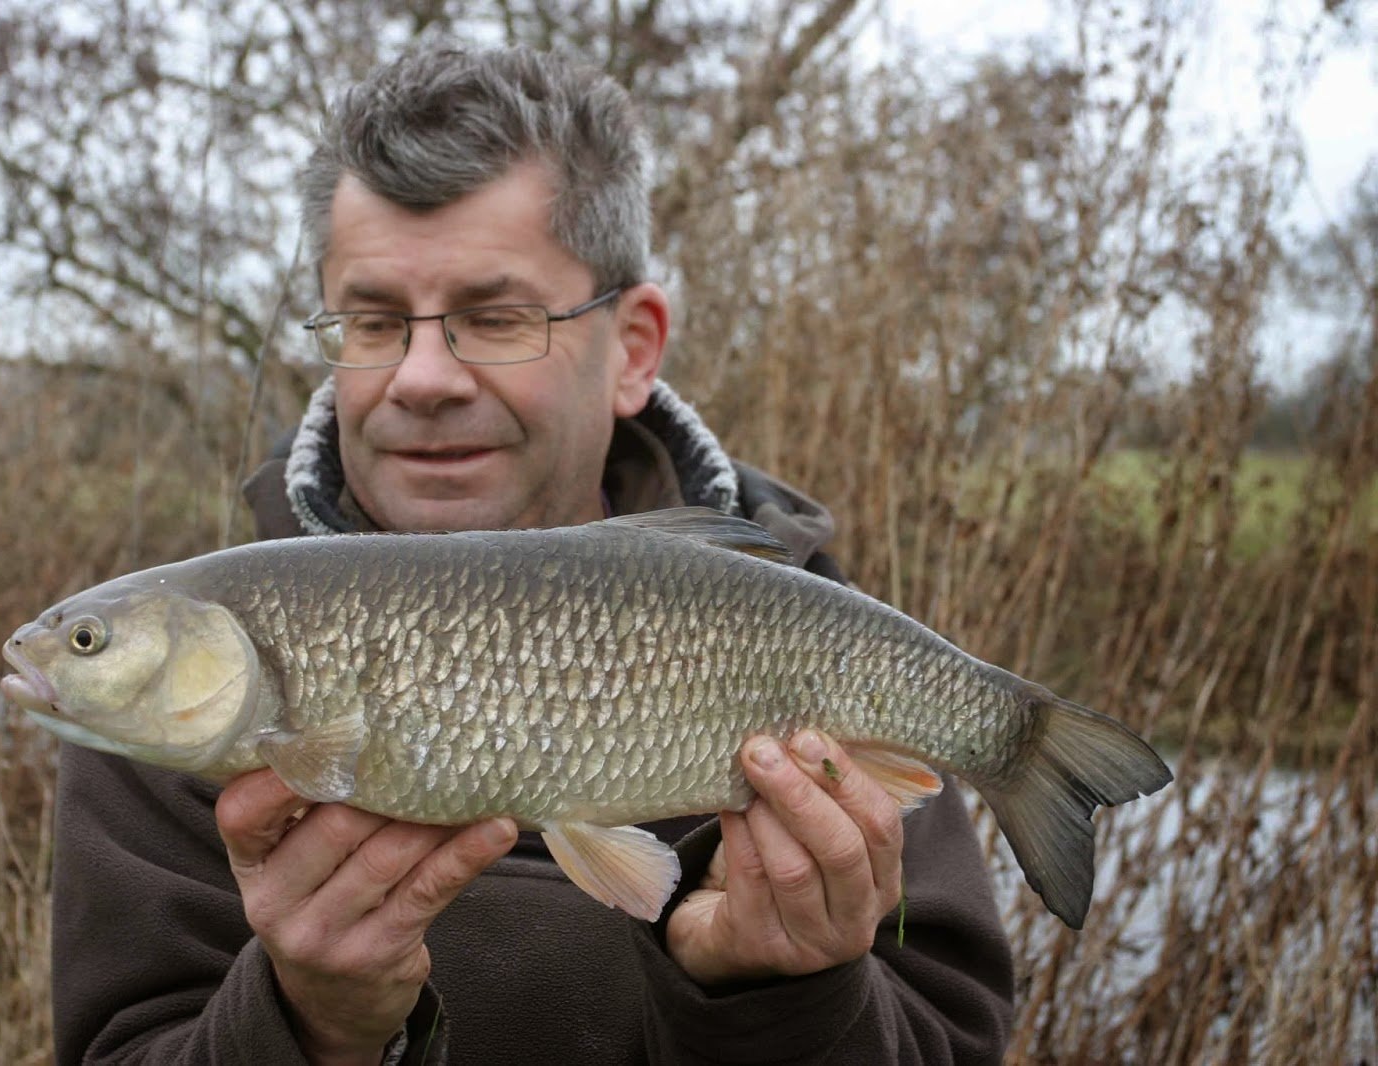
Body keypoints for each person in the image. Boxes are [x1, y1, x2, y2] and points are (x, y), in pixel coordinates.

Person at [49, 43, 1014, 1065]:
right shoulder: (189, 698)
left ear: (634, 346)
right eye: (374, 321)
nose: (421, 377)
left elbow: (954, 1041)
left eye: (493, 316)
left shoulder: (810, 639)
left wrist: (783, 995)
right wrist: (311, 1022)